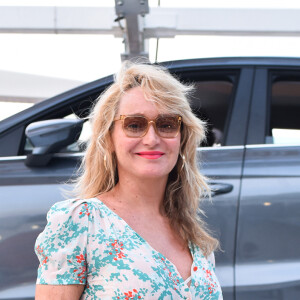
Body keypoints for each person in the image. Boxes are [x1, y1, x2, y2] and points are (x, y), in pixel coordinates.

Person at [35, 62, 223, 299]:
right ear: (109, 139)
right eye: (134, 125)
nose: (152, 139)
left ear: (182, 138)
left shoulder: (192, 234)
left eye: (167, 125)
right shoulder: (81, 223)